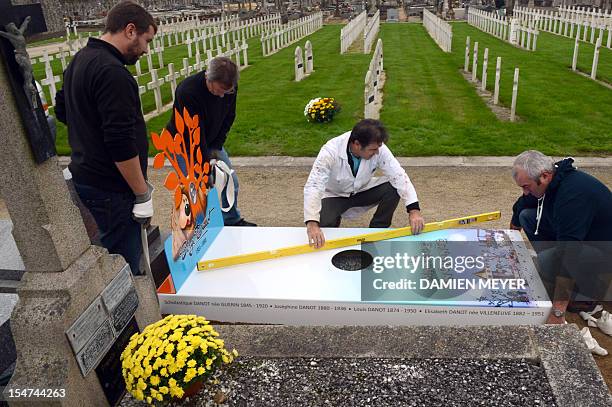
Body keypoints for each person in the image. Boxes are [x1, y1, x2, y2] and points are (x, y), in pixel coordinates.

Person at [55, 1, 157, 275]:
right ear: (130, 30)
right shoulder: (113, 73)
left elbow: (64, 111)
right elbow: (120, 143)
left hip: (86, 175)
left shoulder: (79, 60)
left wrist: (90, 134)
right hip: (112, 187)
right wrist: (141, 192)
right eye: (147, 40)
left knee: (105, 252)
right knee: (122, 265)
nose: (146, 49)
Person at [510, 150, 612, 313]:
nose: (525, 191)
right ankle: (555, 272)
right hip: (584, 236)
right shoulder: (552, 177)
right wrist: (512, 232)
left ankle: (587, 294)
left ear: (544, 176)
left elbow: (570, 250)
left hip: (604, 249)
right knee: (527, 216)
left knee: (546, 261)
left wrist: (558, 310)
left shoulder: (572, 196)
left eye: (526, 186)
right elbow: (524, 202)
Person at [304, 119, 425, 248]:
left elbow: (399, 175)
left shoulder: (378, 148)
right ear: (356, 144)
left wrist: (414, 210)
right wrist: (312, 224)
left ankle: (377, 231)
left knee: (392, 186)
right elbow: (314, 186)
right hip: (333, 195)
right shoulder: (330, 151)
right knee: (324, 227)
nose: (377, 152)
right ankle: (331, 223)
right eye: (372, 149)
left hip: (362, 190)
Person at [165, 56, 256, 227]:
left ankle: (231, 221)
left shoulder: (229, 87)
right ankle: (197, 229)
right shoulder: (188, 91)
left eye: (227, 91)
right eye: (220, 90)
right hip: (183, 144)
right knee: (194, 187)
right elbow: (193, 133)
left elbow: (229, 116)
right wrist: (205, 170)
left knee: (230, 180)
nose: (223, 95)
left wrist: (216, 146)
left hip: (211, 141)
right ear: (209, 78)